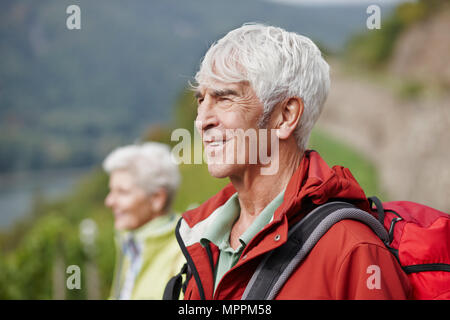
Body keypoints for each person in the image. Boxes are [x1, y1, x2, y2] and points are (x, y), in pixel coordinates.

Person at [171, 23, 412, 299]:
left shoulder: (353, 253)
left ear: (286, 116)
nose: (202, 120)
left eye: (225, 98)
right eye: (201, 99)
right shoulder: (203, 240)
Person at [103, 142, 185, 299]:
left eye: (122, 192)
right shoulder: (130, 244)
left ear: (157, 199)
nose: (109, 201)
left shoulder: (184, 253)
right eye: (111, 191)